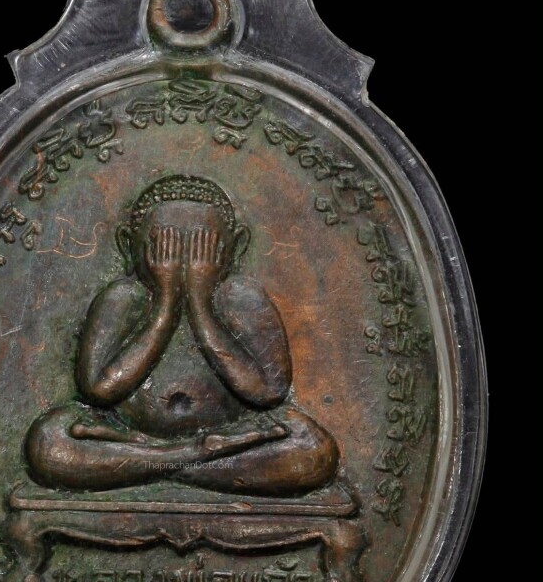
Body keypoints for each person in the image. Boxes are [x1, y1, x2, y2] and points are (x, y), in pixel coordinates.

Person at [26, 175, 338, 496]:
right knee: (48, 442)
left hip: (221, 435)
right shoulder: (124, 297)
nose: (183, 264)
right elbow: (98, 390)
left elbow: (270, 391)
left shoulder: (240, 297)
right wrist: (166, 303)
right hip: (140, 437)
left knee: (313, 449)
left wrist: (200, 303)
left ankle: (152, 466)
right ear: (127, 245)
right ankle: (190, 460)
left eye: (203, 248)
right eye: (165, 248)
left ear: (236, 246)